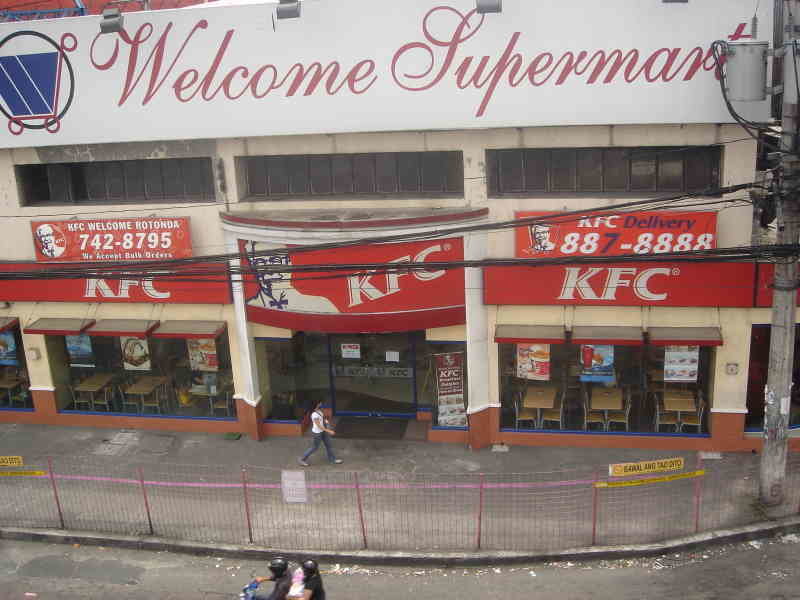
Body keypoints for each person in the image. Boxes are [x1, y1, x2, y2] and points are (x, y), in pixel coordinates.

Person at [299, 400, 343, 466]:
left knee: (329, 445)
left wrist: (326, 422)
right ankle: (302, 459)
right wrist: (329, 431)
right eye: (319, 403)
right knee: (314, 447)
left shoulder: (319, 410)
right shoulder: (314, 414)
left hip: (323, 431)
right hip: (317, 433)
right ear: (316, 405)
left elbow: (322, 418)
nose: (321, 404)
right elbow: (319, 426)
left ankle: (332, 459)